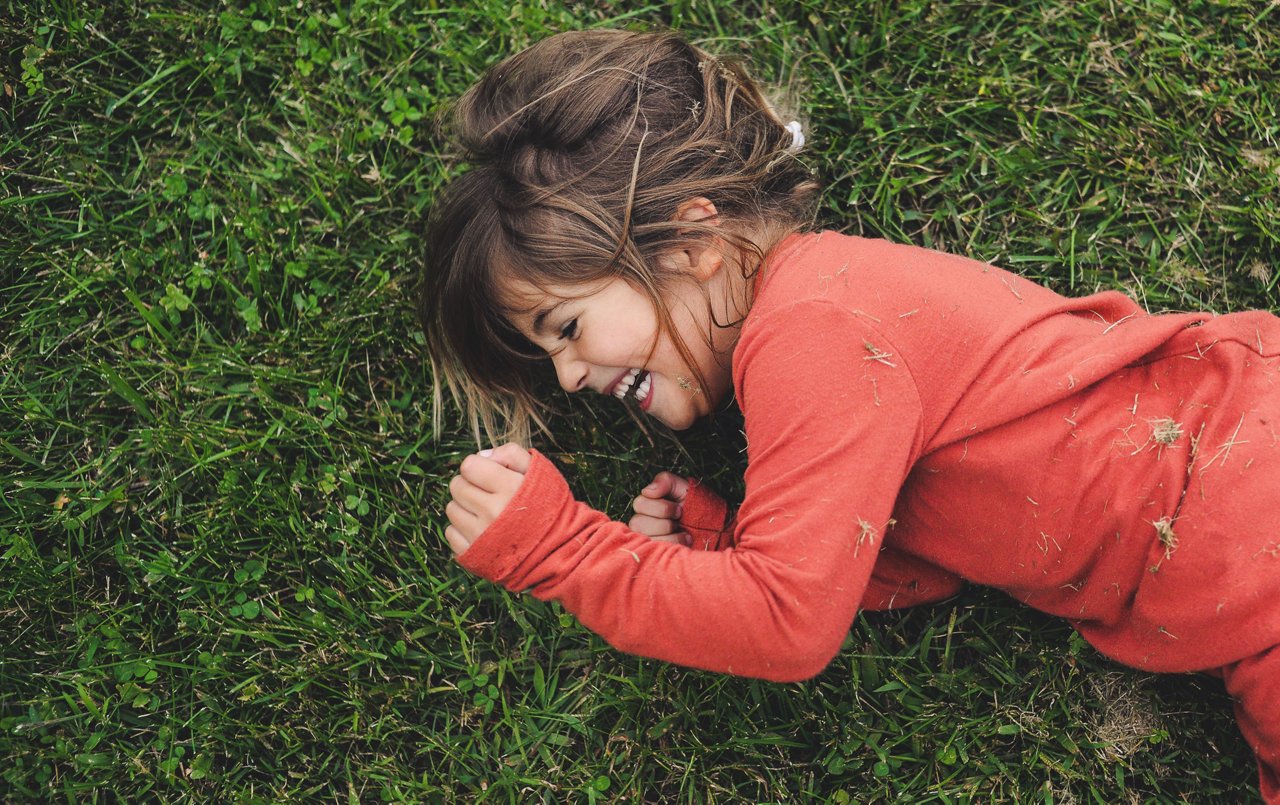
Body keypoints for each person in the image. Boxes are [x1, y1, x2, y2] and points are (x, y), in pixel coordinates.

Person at [417, 28, 1280, 801]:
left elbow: (787, 624)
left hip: (1244, 501)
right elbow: (916, 558)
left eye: (566, 328)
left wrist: (560, 550)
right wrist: (733, 546)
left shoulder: (810, 330)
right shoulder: (818, 322)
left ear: (691, 244)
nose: (568, 378)